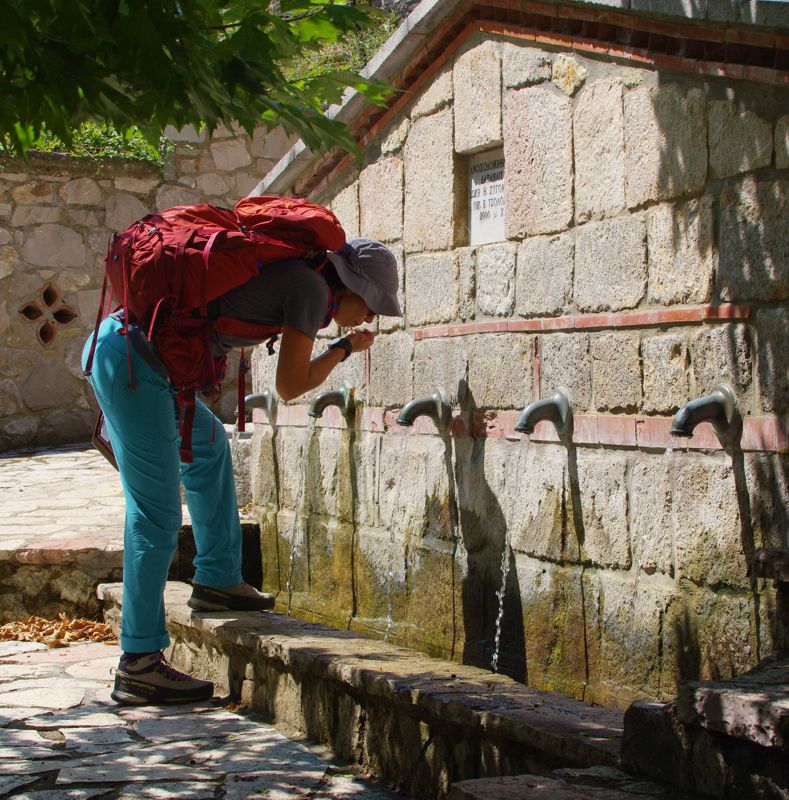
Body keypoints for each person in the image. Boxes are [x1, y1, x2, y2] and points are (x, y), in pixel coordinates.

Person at [81, 236, 402, 705]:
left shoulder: (304, 278)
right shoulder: (311, 292)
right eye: (373, 304)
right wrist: (344, 349)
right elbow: (291, 385)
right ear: (351, 285)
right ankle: (139, 663)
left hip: (135, 356)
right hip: (133, 365)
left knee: (210, 447)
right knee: (155, 517)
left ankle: (216, 580)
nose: (371, 316)